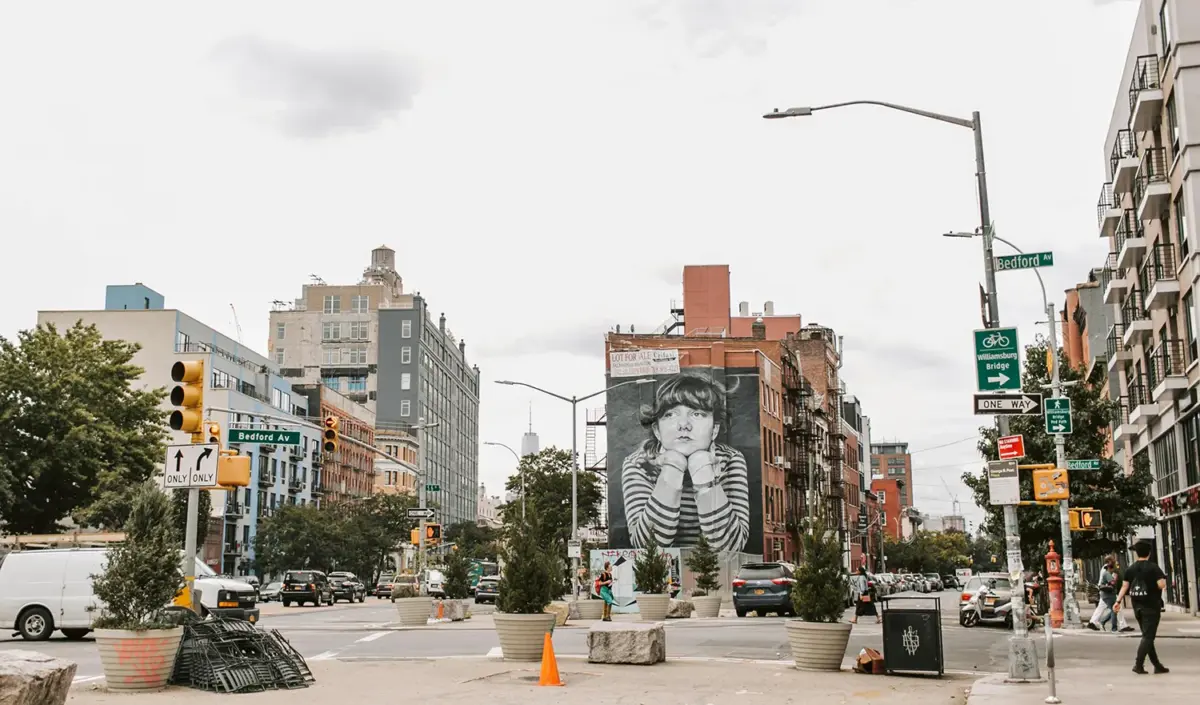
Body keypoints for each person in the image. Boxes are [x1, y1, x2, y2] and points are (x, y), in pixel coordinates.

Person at [621, 370, 750, 552]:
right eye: (671, 415)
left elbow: (729, 547)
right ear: (657, 430)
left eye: (697, 414)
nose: (684, 424)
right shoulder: (639, 464)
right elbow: (648, 547)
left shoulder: (730, 460)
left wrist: (703, 473)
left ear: (714, 430)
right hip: (660, 578)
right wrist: (672, 470)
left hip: (715, 575)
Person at [1114, 541, 1169, 674]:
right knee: (1148, 637)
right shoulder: (1153, 568)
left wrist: (1118, 601)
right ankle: (1138, 665)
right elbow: (1161, 585)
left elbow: (1125, 586)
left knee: (1147, 635)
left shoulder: (1130, 569)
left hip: (1137, 606)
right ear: (1149, 553)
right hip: (1151, 606)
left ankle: (1157, 665)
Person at [1089, 555, 1120, 632]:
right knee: (1114, 609)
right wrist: (1115, 577)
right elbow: (1112, 582)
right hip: (1108, 592)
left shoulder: (1107, 569)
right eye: (1113, 560)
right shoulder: (1106, 571)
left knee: (1114, 609)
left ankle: (1098, 621)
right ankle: (1114, 628)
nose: (1114, 561)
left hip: (1106, 592)